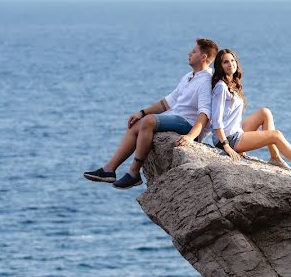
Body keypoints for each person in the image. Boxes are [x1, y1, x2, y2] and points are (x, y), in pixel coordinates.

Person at [83, 38, 218, 189]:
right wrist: (141, 113)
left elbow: (205, 113)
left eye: (193, 52)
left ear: (203, 57)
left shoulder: (206, 81)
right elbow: (166, 102)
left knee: (149, 121)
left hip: (189, 124)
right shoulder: (188, 76)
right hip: (178, 117)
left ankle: (134, 172)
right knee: (137, 125)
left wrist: (191, 136)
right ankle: (109, 169)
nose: (189, 53)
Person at [208, 48, 291, 178]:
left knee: (265, 112)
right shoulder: (221, 87)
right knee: (276, 135)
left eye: (232, 60)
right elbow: (216, 120)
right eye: (225, 62)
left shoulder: (232, 84)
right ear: (220, 66)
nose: (230, 64)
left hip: (236, 131)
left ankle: (275, 158)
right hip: (227, 139)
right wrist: (226, 146)